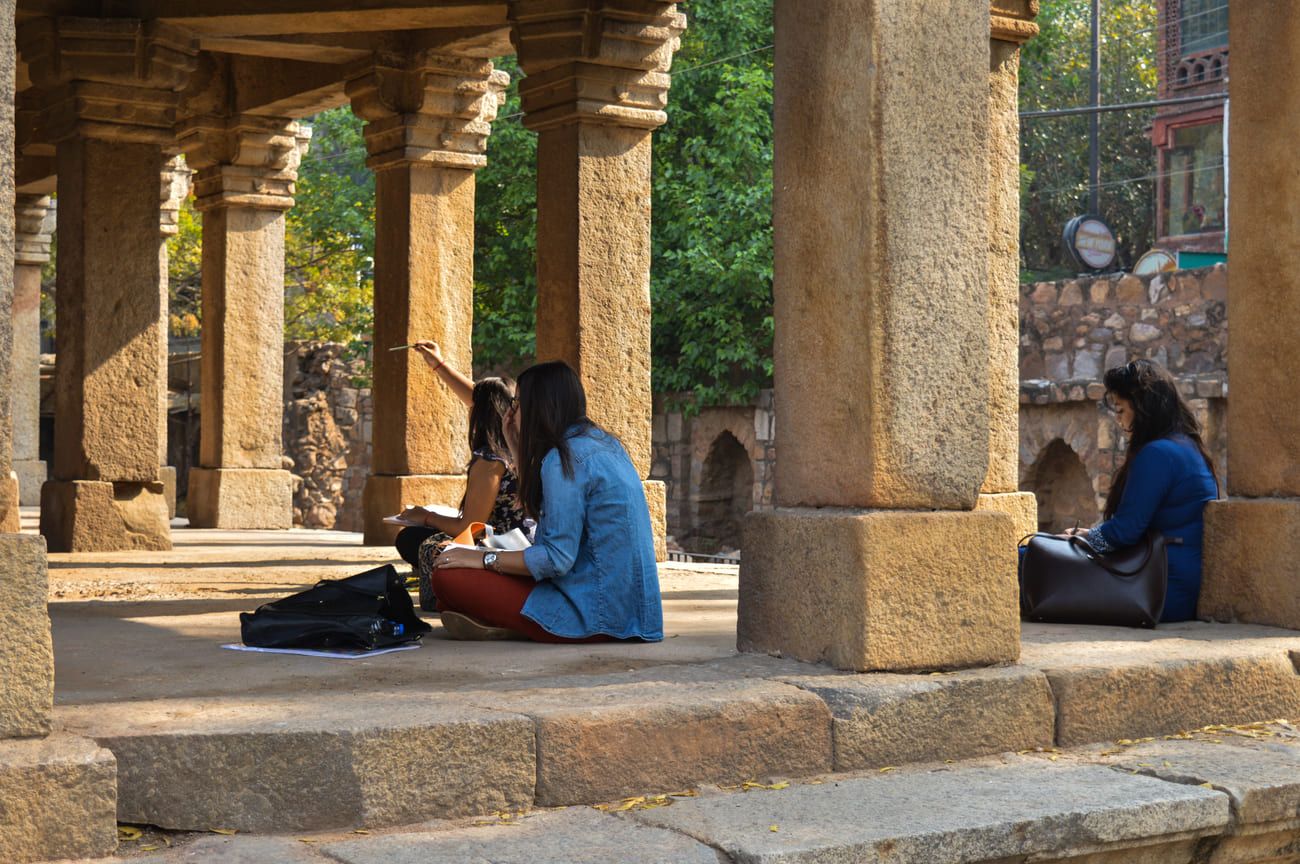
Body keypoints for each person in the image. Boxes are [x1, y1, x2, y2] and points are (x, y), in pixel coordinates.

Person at [427, 361, 663, 643]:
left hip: (591, 614)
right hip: (623, 609)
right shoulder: (603, 443)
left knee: (446, 578)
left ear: (538, 406)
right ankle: (490, 617)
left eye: (517, 403)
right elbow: (546, 519)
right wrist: (515, 448)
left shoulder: (563, 459)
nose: (512, 414)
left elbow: (555, 559)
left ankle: (505, 621)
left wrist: (483, 559)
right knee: (456, 577)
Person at [1065, 359, 1219, 622]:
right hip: (1168, 580)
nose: (1119, 420)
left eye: (1121, 410)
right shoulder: (1187, 446)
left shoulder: (1158, 454)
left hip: (1158, 587)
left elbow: (1125, 532)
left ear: (1142, 409)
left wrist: (1084, 539)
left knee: (1029, 559)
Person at [392, 341, 528, 611]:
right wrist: (439, 365)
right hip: (525, 537)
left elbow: (471, 526)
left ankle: (446, 597)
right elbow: (482, 400)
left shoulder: (491, 460)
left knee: (413, 539)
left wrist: (426, 516)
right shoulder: (522, 443)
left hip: (503, 544)